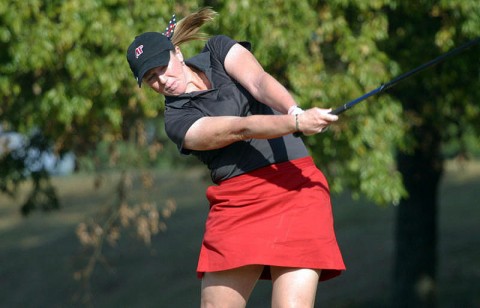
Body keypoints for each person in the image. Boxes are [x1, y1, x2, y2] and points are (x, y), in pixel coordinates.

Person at [127, 8, 345, 308]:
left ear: (176, 53)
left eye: (162, 67)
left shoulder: (217, 50)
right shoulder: (177, 122)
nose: (162, 80)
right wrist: (294, 124)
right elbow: (240, 129)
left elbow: (258, 81)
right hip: (238, 203)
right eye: (151, 78)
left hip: (297, 189)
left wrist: (294, 110)